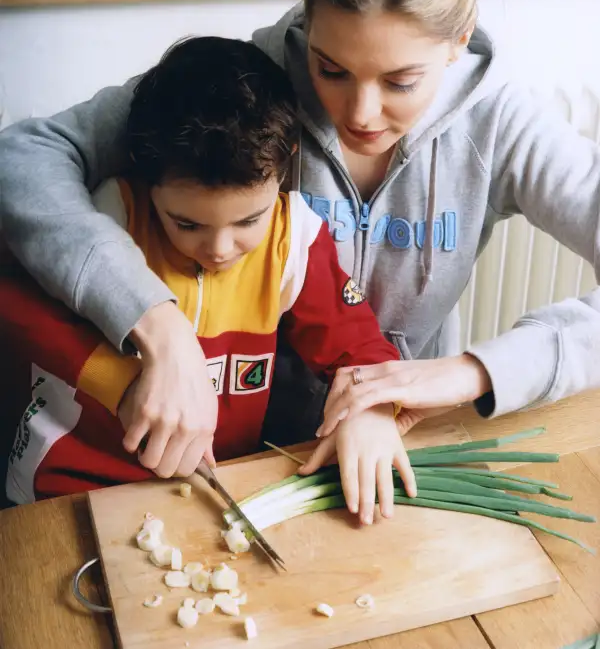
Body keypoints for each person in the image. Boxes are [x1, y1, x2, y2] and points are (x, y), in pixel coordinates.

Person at [1, 0, 599, 481]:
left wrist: (470, 372)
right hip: (249, 454)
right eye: (330, 69)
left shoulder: (505, 123)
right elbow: (23, 158)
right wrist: (152, 319)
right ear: (307, 25)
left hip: (402, 440)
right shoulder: (247, 86)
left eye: (400, 82)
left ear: (457, 40)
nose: (361, 112)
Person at [1, 36, 416, 521]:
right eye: (187, 224)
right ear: (146, 181)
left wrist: (370, 408)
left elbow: (358, 343)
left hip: (209, 493)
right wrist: (122, 385)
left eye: (247, 221)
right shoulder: (110, 215)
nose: (220, 249)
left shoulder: (294, 238)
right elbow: (16, 304)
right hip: (66, 488)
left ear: (285, 167)